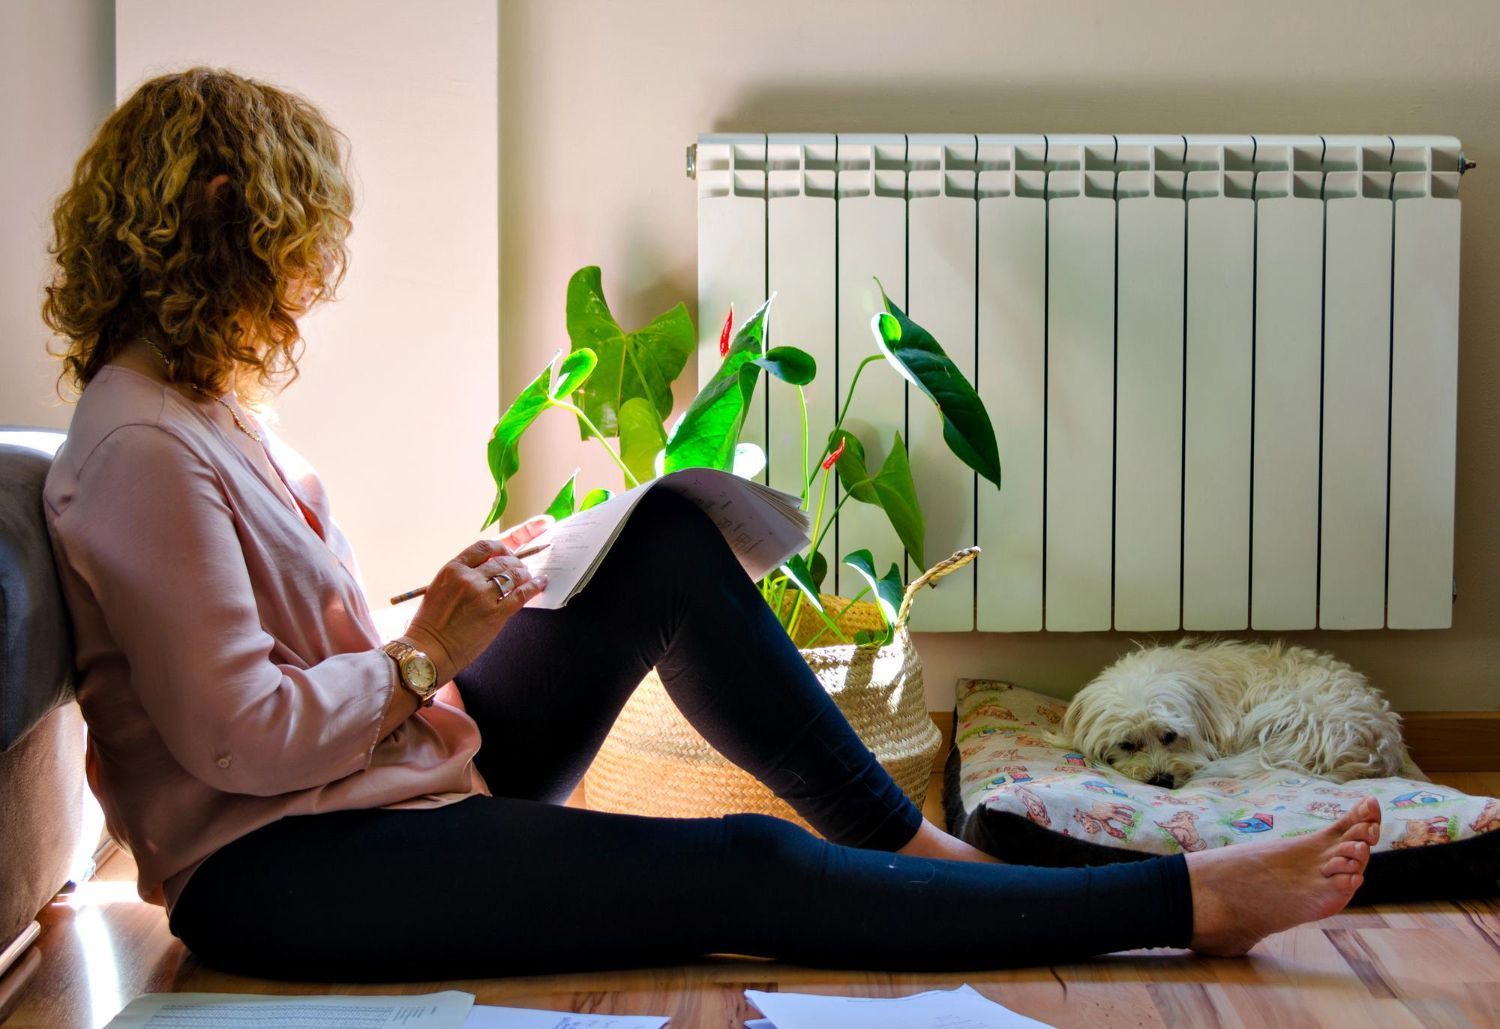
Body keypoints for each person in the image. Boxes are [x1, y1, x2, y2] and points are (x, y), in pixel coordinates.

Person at [38, 67, 1380, 983]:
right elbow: (241, 742)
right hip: (287, 869)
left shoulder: (199, 411)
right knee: (736, 866)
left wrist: (450, 615)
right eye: (298, 238)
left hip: (383, 778)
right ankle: (1185, 904)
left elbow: (282, 670)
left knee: (666, 540)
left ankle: (917, 857)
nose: (311, 277)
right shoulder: (143, 446)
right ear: (231, 228)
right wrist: (421, 655)